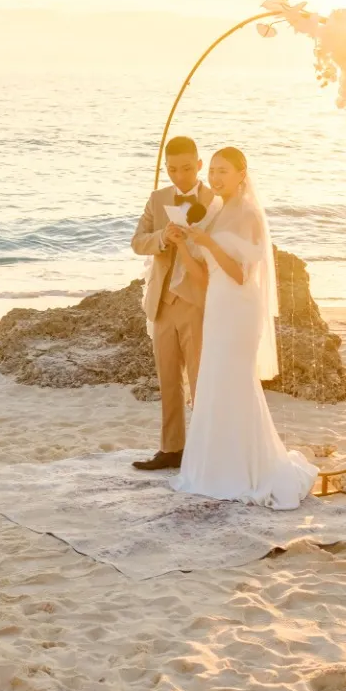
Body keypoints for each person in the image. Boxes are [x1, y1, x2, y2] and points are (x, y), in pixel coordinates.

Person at [170, 147, 318, 509]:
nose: (216, 178)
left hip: (240, 308)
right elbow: (205, 276)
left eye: (224, 171)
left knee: (235, 382)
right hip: (218, 305)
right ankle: (214, 471)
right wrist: (184, 248)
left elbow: (240, 274)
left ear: (241, 174)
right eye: (214, 171)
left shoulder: (249, 214)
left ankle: (248, 469)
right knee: (213, 383)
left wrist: (205, 242)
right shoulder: (216, 213)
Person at [129, 135, 214, 471]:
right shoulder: (158, 198)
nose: (180, 176)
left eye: (186, 168)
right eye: (173, 169)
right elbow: (137, 242)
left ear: (199, 165)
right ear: (166, 168)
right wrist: (163, 237)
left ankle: (206, 448)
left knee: (200, 380)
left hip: (198, 301)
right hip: (162, 300)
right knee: (168, 379)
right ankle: (171, 449)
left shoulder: (214, 200)